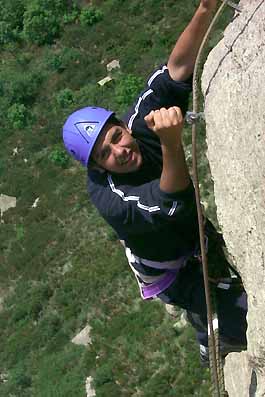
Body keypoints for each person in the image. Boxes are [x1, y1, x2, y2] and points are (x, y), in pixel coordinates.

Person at [62, 0, 247, 363]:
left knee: (224, 272)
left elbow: (175, 71)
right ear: (99, 168)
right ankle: (213, 338)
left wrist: (206, 10)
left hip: (191, 233)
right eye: (105, 154)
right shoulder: (109, 197)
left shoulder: (140, 121)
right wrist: (171, 142)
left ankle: (207, 321)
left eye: (116, 136)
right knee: (242, 314)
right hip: (171, 270)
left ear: (121, 124)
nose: (119, 150)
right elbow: (170, 201)